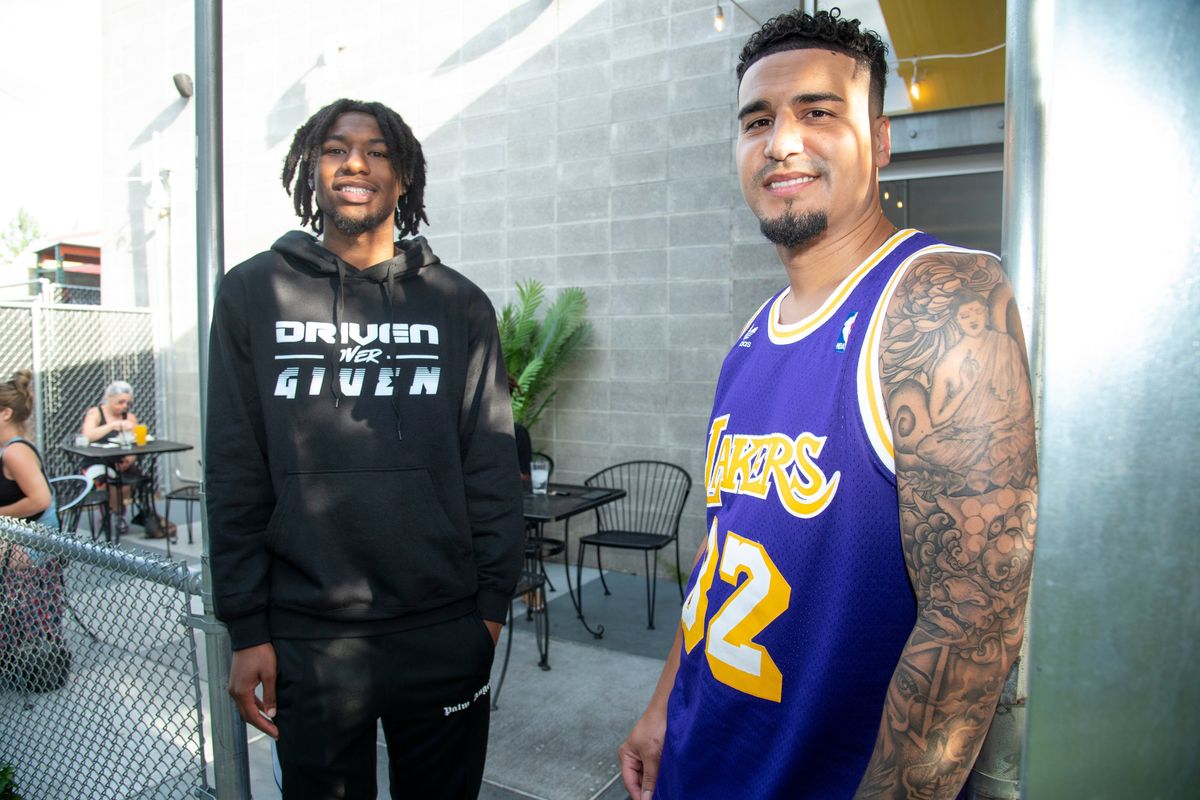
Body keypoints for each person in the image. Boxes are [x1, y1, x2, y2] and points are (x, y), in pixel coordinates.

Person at [618, 9, 1037, 800]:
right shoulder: (750, 336)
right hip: (698, 763)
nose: (781, 142)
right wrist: (661, 708)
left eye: (818, 112)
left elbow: (972, 621)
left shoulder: (938, 300)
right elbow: (720, 553)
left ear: (878, 141)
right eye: (757, 120)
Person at [205, 98, 524, 799]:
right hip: (309, 638)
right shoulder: (253, 291)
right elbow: (234, 467)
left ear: (404, 174)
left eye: (378, 150)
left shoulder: (460, 305)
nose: (356, 162)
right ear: (309, 170)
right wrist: (247, 626)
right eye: (336, 148)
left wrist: (489, 612)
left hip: (444, 624)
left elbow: (494, 464)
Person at [0, 369, 55, 532]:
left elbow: (40, 500)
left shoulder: (15, 452)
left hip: (34, 541)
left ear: (6, 413)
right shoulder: (7, 448)